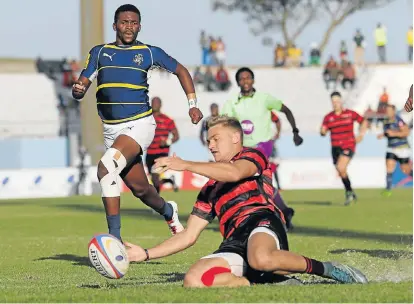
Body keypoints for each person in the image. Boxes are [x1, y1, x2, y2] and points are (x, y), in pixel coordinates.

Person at [125, 115, 368, 287]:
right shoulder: (210, 188)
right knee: (194, 280)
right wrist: (145, 254)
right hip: (233, 240)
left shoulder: (252, 156)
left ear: (235, 138)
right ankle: (263, 281)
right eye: (208, 140)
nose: (210, 145)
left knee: (261, 258)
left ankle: (328, 269)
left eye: (215, 139)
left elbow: (234, 173)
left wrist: (185, 165)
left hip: (261, 222)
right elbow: (188, 236)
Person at [71, 4, 203, 240]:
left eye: (133, 23)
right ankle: (168, 210)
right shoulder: (100, 52)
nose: (129, 27)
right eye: (124, 22)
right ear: (115, 25)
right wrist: (78, 90)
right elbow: (82, 85)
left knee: (105, 169)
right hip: (111, 130)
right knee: (141, 190)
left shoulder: (150, 52)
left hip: (139, 124)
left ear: (139, 26)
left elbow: (181, 70)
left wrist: (193, 105)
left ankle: (114, 240)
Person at [221, 67, 302, 229]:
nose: (245, 81)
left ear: (253, 80)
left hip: (263, 146)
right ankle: (284, 212)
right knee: (260, 184)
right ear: (237, 82)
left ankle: (255, 218)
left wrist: (295, 131)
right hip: (243, 149)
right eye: (242, 79)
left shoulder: (264, 98)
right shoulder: (232, 103)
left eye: (248, 78)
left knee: (250, 182)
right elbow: (224, 124)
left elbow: (286, 110)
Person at [320, 92, 368, 205]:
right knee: (341, 171)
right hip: (335, 148)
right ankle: (350, 191)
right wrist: (322, 131)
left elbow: (364, 121)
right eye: (333, 102)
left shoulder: (350, 114)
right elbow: (323, 130)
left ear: (341, 101)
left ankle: (349, 193)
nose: (335, 104)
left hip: (348, 145)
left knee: (341, 167)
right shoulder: (328, 117)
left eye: (337, 101)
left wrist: (361, 134)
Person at [146, 97, 179, 193]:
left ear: (160, 105)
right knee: (153, 178)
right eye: (153, 103)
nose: (155, 105)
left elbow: (176, 136)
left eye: (157, 103)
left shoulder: (167, 120)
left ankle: (157, 204)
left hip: (161, 154)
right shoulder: (147, 119)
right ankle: (169, 180)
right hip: (149, 153)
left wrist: (167, 142)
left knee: (155, 177)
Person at [377, 104, 412, 196]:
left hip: (402, 149)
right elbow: (388, 132)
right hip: (391, 148)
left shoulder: (399, 120)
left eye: (389, 110)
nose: (388, 112)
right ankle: (388, 189)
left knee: (406, 170)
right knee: (389, 166)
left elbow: (406, 132)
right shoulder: (385, 121)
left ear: (393, 111)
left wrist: (394, 133)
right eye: (387, 110)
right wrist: (383, 135)